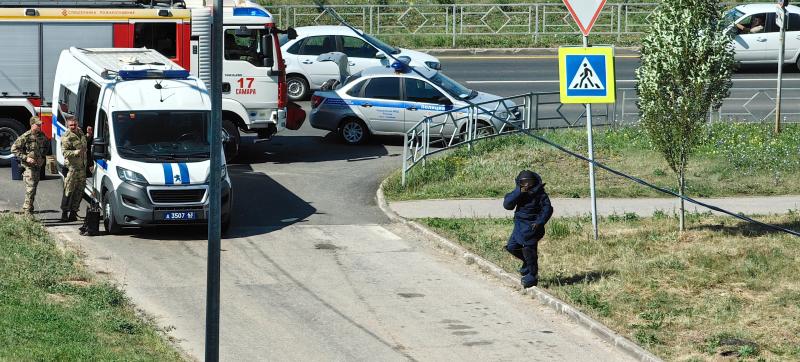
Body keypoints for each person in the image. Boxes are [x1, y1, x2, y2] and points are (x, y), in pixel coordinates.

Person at [503, 170, 553, 288]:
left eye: (529, 182)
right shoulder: (519, 193)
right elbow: (507, 205)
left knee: (529, 251)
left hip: (532, 227)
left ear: (534, 182)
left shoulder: (541, 194)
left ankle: (532, 275)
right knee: (511, 247)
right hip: (520, 224)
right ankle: (527, 263)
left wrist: (539, 222)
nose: (527, 185)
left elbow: (547, 209)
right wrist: (518, 192)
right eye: (524, 182)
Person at [11, 116, 47, 216]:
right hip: (29, 167)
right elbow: (14, 149)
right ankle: (27, 212)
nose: (39, 126)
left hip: (37, 167)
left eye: (40, 125)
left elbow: (46, 146)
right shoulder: (25, 136)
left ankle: (29, 210)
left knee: (33, 189)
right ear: (32, 125)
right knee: (30, 189)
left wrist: (42, 157)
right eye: (38, 125)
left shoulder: (42, 135)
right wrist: (26, 158)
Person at [59, 115, 89, 222]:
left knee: (79, 191)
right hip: (72, 169)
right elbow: (64, 152)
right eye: (71, 125)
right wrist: (75, 152)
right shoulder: (66, 137)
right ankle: (64, 214)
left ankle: (73, 212)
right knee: (68, 191)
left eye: (74, 124)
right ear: (67, 125)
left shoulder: (80, 132)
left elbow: (83, 144)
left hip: (82, 168)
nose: (73, 126)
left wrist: (88, 135)